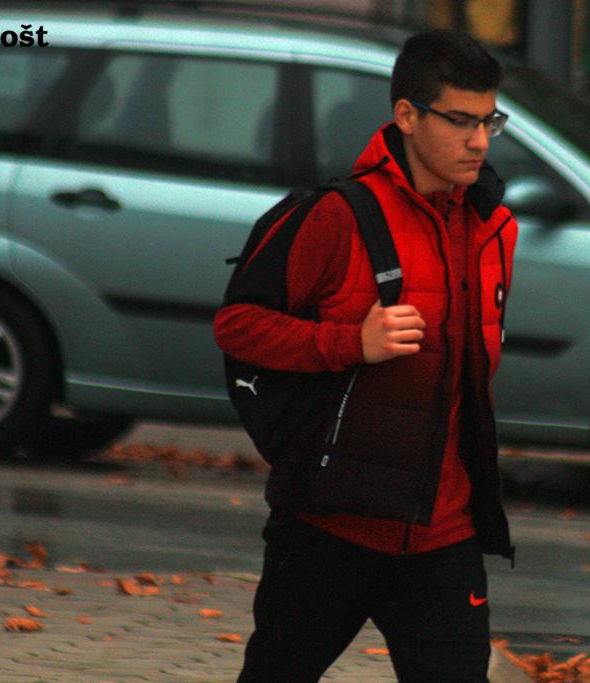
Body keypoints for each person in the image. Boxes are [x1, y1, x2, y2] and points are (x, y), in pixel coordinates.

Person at [213, 28, 517, 683]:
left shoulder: (495, 227)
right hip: (331, 526)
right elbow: (238, 326)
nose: (479, 141)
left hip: (444, 533)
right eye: (461, 121)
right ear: (406, 115)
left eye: (490, 121)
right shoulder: (338, 216)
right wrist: (351, 343)